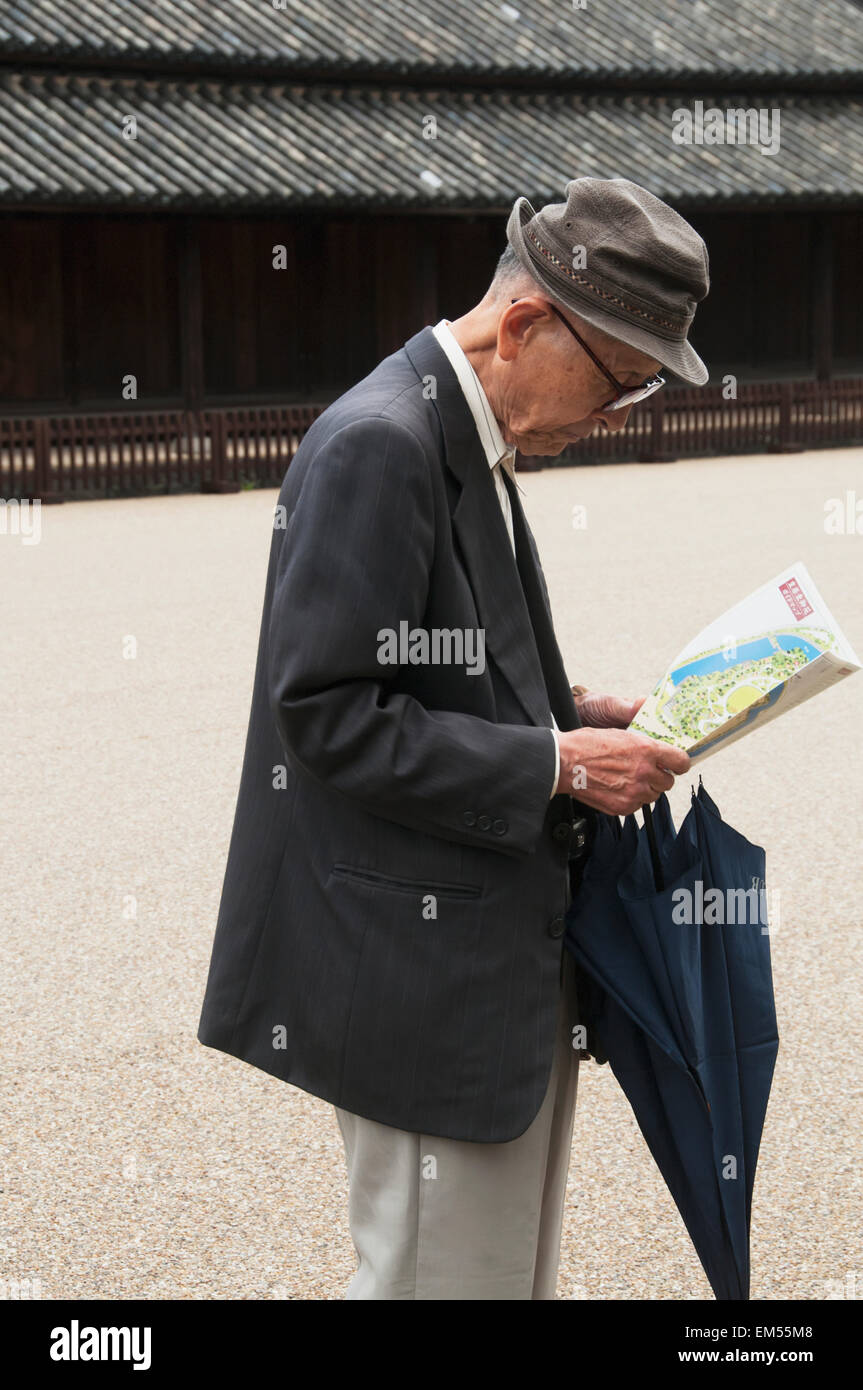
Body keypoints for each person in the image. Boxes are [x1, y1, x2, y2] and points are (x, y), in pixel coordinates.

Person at [196, 176, 707, 1299]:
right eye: (617, 382)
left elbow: (428, 660)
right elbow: (327, 710)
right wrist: (559, 762)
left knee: (491, 1280)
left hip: (481, 959)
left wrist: (571, 710)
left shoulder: (459, 427)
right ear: (525, 325)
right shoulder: (380, 442)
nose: (610, 415)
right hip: (422, 977)